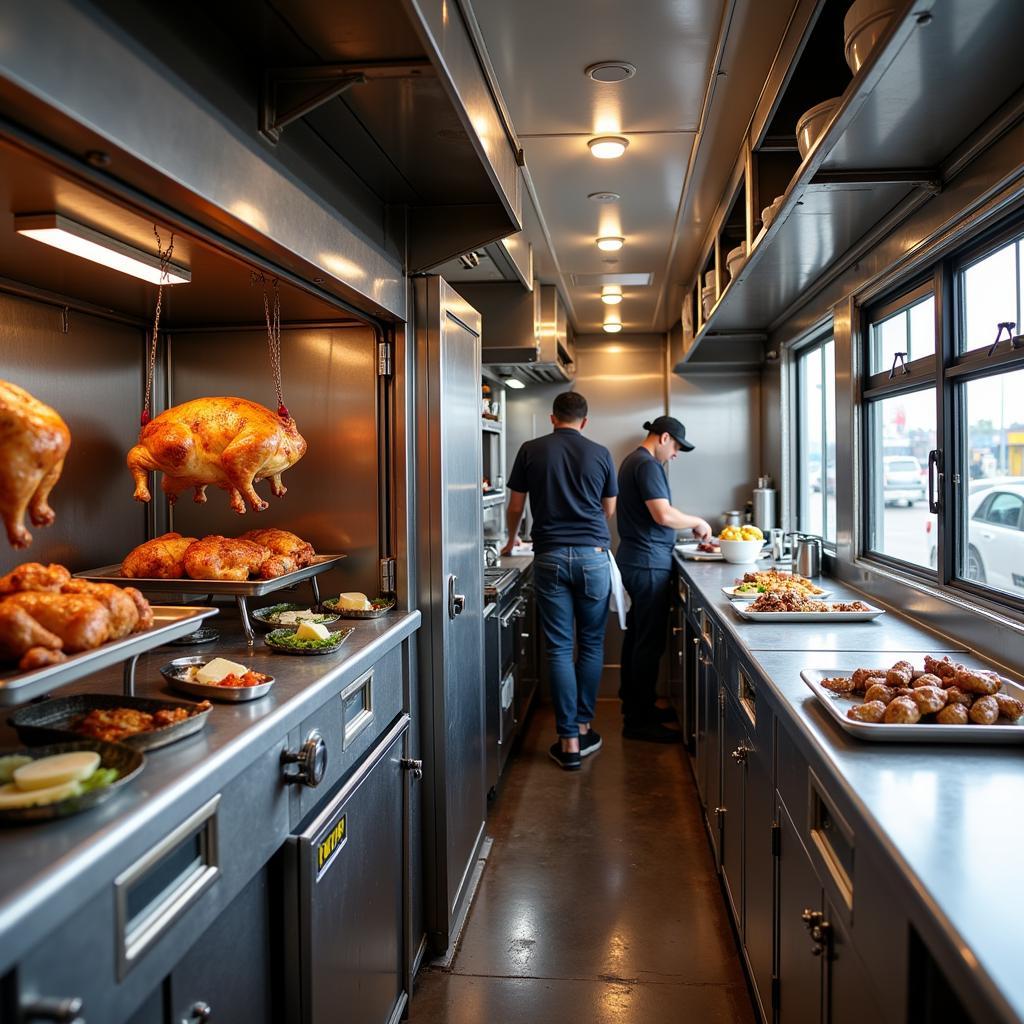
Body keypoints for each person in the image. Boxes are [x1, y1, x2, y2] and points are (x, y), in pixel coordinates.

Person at [502, 391, 617, 771]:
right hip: (593, 558)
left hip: (549, 556)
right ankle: (584, 725)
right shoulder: (600, 453)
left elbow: (516, 506)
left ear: (553, 418)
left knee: (558, 648)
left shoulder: (531, 449)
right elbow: (608, 509)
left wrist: (511, 538)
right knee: (591, 644)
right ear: (584, 422)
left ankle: (568, 741)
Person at [616, 416, 711, 742]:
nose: (676, 454)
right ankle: (639, 722)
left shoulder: (634, 461)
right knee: (647, 643)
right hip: (647, 565)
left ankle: (636, 708)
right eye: (677, 447)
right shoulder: (646, 465)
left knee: (638, 639)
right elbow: (663, 514)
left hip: (638, 561)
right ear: (664, 437)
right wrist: (697, 521)